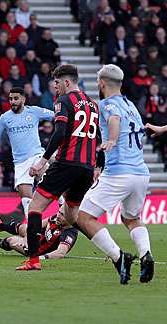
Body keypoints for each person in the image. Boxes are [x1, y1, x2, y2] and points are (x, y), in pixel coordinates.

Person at [78, 65, 153, 285]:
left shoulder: (107, 104)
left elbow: (114, 120)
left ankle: (119, 258)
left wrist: (111, 139)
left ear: (101, 83)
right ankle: (146, 254)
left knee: (84, 217)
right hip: (141, 173)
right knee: (130, 218)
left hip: (119, 172)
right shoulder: (131, 106)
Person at [26, 64, 102, 258]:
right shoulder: (93, 104)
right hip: (86, 168)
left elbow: (59, 132)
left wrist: (42, 162)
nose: (55, 87)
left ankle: (33, 260)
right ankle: (116, 254)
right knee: (73, 217)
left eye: (57, 83)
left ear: (66, 82)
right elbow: (98, 141)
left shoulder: (64, 100)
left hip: (66, 163)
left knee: (35, 207)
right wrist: (100, 166)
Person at [0, 87, 54, 216]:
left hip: (37, 156)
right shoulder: (4, 118)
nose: (12, 101)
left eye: (16, 99)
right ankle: (32, 230)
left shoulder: (34, 111)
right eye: (10, 99)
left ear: (23, 99)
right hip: (20, 163)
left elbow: (57, 116)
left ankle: (63, 206)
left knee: (49, 179)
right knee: (26, 200)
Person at [0, 206, 78, 270]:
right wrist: (28, 236)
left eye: (62, 215)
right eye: (59, 212)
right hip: (37, 237)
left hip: (37, 249)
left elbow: (60, 253)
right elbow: (36, 225)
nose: (58, 216)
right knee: (24, 227)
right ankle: (0, 226)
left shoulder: (69, 233)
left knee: (12, 241)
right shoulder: (55, 218)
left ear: (71, 218)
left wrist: (40, 258)